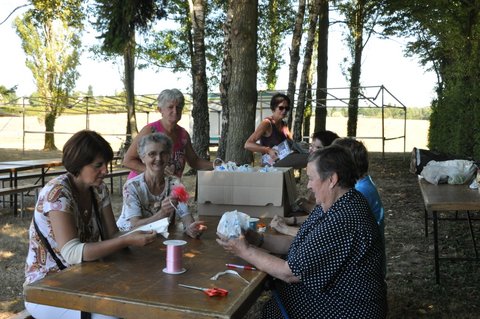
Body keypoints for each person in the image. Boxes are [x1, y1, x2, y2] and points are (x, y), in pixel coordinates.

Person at [217, 145, 387, 318]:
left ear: (332, 179)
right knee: (273, 305)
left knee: (273, 310)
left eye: (311, 178)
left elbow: (290, 273)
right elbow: (302, 242)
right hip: (335, 296)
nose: (308, 185)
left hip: (348, 307)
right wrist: (258, 239)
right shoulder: (334, 204)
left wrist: (245, 250)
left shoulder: (344, 218)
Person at [24, 130, 157, 319]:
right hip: (46, 288)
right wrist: (126, 240)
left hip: (83, 279)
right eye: (98, 165)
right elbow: (72, 253)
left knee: (139, 300)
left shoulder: (98, 189)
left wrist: (140, 233)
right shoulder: (58, 193)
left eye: (106, 164)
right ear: (79, 164)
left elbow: (112, 234)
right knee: (114, 316)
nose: (106, 171)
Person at [117, 132, 206, 238]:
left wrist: (191, 228)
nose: (158, 158)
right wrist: (162, 213)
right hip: (129, 238)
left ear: (169, 156)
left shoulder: (175, 184)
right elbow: (135, 225)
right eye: (152, 154)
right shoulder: (132, 186)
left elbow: (185, 214)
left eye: (163, 153)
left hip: (157, 237)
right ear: (142, 157)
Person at [123, 89, 212, 179]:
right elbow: (128, 161)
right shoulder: (150, 131)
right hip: (144, 188)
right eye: (170, 107)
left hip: (168, 188)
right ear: (160, 110)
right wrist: (155, 171)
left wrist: (217, 165)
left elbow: (194, 161)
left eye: (179, 107)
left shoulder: (183, 135)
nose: (175, 111)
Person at [270, 130, 339, 236]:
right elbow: (320, 213)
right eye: (311, 145)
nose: (311, 149)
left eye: (318, 147)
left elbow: (320, 231)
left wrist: (286, 227)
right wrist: (291, 220)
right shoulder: (327, 175)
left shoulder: (332, 181)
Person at [244, 93, 308, 168]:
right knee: (313, 158)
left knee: (314, 156)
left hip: (284, 160)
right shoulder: (267, 123)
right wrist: (268, 150)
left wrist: (301, 147)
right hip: (270, 164)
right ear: (273, 108)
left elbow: (290, 144)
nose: (284, 111)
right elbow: (247, 144)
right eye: (281, 108)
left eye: (287, 108)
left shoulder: (284, 125)